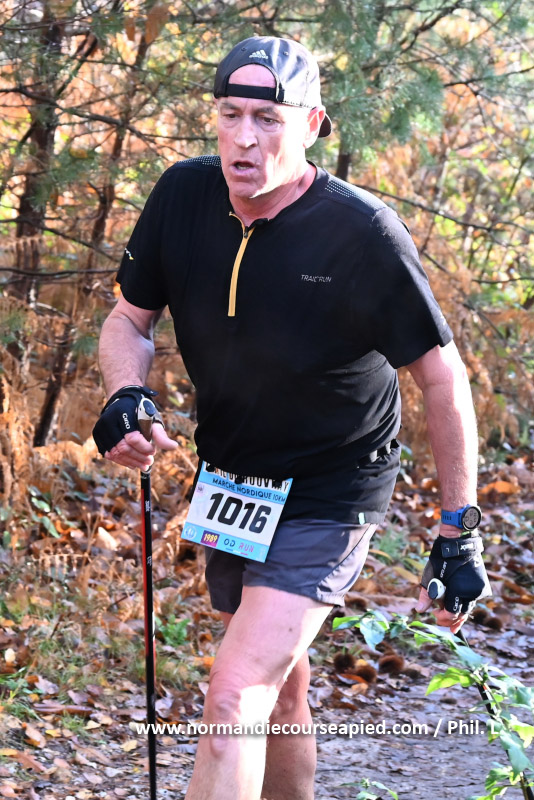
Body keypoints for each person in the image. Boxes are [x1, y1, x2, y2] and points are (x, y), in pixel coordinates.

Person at [93, 36, 491, 800]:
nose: (245, 138)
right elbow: (128, 321)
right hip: (234, 477)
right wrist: (124, 394)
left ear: (311, 125)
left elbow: (442, 378)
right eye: (231, 114)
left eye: (268, 119)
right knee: (277, 697)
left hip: (333, 487)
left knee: (233, 696)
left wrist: (458, 529)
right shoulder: (183, 196)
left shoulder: (361, 233)